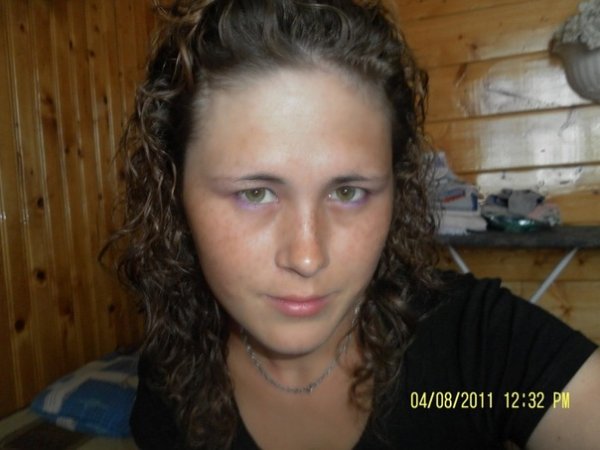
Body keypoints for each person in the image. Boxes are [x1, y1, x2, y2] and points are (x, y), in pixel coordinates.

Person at [109, 0, 600, 448]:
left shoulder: (478, 352)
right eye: (255, 193)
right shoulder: (170, 382)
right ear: (175, 195)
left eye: (347, 192)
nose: (307, 257)